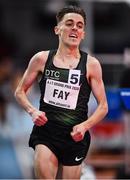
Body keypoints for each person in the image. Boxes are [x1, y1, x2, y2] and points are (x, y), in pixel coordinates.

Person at [14, 5, 108, 179]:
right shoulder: (41, 59)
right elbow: (20, 91)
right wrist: (32, 111)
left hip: (75, 136)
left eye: (80, 26)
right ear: (57, 29)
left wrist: (85, 126)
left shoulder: (91, 65)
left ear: (83, 34)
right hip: (46, 133)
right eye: (70, 23)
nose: (75, 28)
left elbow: (103, 106)